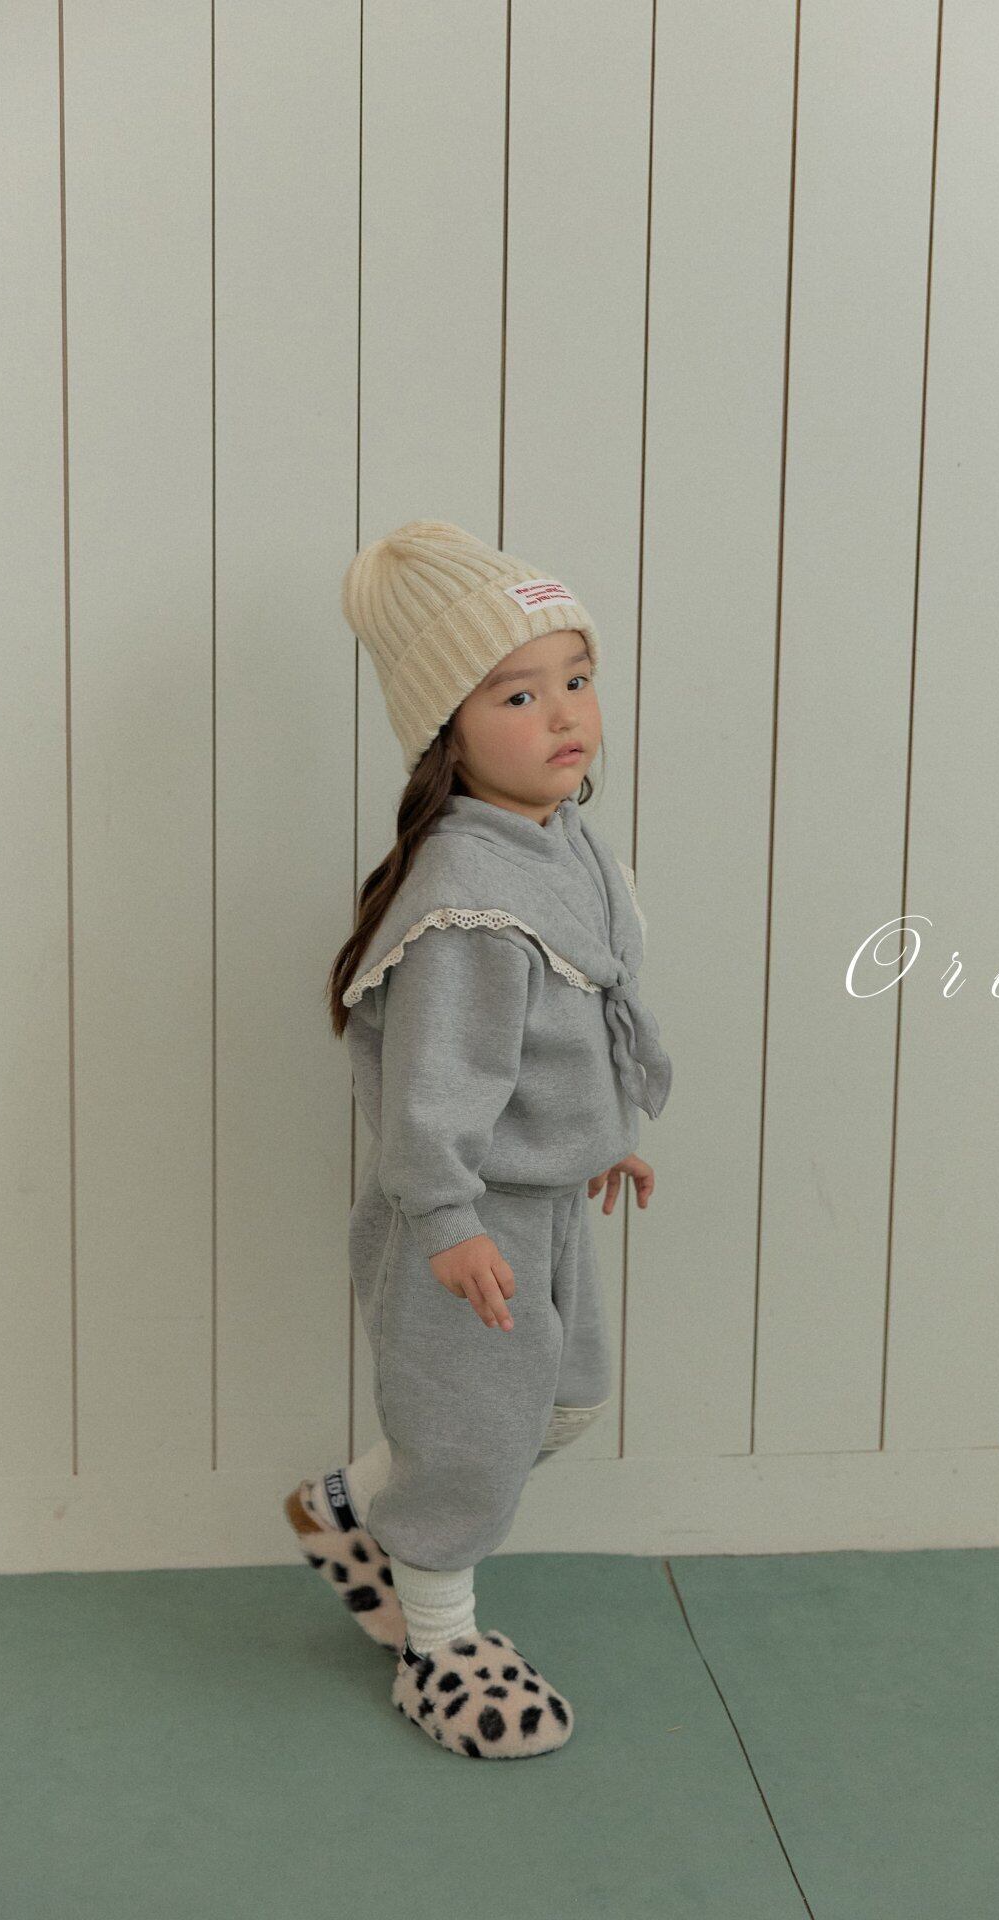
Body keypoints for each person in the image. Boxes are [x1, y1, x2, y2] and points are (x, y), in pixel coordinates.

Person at [283, 520, 673, 1760]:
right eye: (516, 693)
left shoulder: (559, 841)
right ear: (444, 733)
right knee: (471, 1437)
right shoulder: (464, 897)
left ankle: (351, 1505)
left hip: (544, 1197)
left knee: (562, 1402)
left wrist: (602, 1131)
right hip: (464, 1216)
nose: (563, 713)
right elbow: (434, 1088)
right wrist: (445, 1222)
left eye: (576, 678)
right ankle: (439, 1648)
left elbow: (570, 1020)